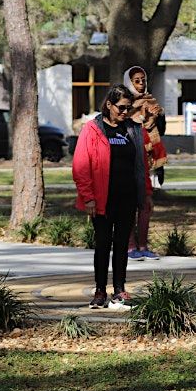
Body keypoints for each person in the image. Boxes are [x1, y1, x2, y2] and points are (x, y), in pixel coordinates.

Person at [72, 84, 154, 309]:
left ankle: (119, 290)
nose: (124, 112)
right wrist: (87, 196)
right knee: (102, 244)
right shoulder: (92, 129)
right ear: (109, 105)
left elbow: (141, 166)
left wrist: (146, 193)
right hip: (101, 200)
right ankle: (100, 291)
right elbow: (80, 165)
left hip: (127, 198)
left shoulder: (133, 130)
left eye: (128, 108)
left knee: (121, 246)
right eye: (120, 107)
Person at [124, 66, 167, 262]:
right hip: (131, 159)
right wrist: (140, 117)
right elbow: (123, 126)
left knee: (146, 204)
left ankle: (143, 245)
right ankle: (130, 245)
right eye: (136, 81)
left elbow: (160, 131)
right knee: (129, 203)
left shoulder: (151, 100)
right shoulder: (124, 103)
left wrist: (158, 116)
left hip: (149, 157)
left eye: (143, 80)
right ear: (129, 82)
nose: (141, 84)